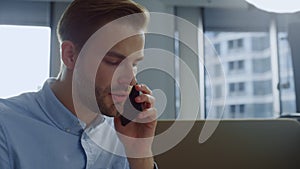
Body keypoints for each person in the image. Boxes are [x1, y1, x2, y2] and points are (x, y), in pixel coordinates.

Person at [0, 0, 158, 168]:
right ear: (70, 55)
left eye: (134, 64)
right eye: (113, 61)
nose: (131, 80)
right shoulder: (5, 126)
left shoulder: (125, 134)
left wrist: (140, 156)